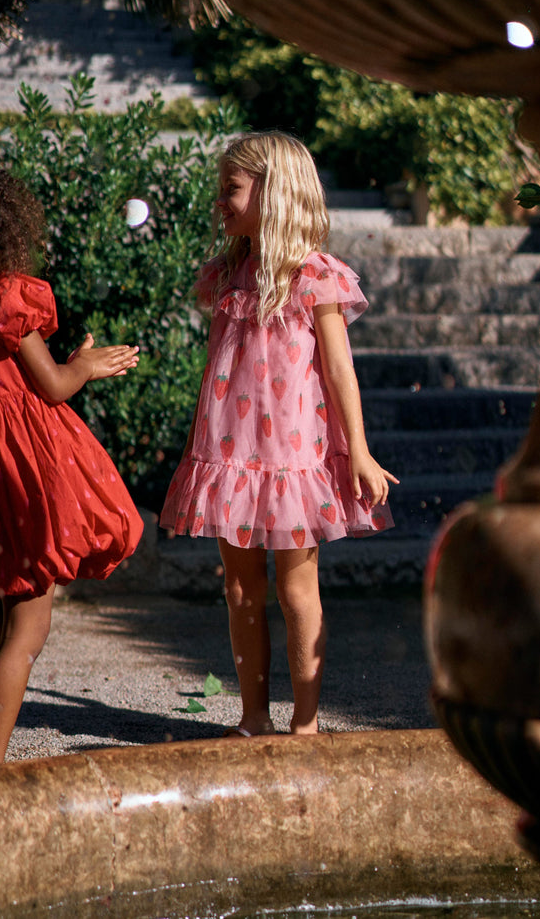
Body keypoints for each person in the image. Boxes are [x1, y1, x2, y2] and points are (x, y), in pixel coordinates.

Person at [160, 131, 398, 737]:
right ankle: (253, 716)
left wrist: (361, 453)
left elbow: (340, 370)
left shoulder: (315, 276)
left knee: (297, 592)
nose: (220, 201)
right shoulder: (228, 275)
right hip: (230, 455)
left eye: (231, 189)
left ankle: (308, 723)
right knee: (241, 590)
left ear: (273, 192)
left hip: (293, 459)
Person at [0, 154, 143, 769]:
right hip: (17, 468)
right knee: (27, 630)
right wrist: (86, 363)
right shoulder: (7, 297)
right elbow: (54, 386)